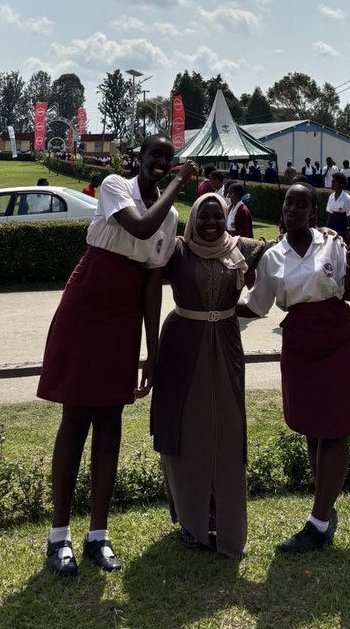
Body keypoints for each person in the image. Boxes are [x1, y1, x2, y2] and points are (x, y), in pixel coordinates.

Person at [37, 136, 197, 576]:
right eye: (154, 156)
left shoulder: (173, 217)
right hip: (88, 303)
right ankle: (58, 536)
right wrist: (179, 184)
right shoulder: (115, 186)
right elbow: (141, 226)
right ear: (139, 160)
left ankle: (98, 535)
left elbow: (151, 287)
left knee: (110, 420)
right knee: (76, 418)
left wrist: (152, 350)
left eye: (168, 158)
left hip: (125, 313)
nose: (161, 163)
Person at [239, 183, 350, 553]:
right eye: (289, 203)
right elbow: (257, 306)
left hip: (340, 340)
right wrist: (211, 306)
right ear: (282, 210)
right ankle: (326, 511)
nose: (293, 209)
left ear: (314, 213)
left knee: (334, 430)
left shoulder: (332, 243)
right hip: (300, 346)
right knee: (314, 431)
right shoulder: (272, 256)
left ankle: (316, 523)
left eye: (302, 204)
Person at [151, 193, 268, 557]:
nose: (212, 223)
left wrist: (327, 235)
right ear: (193, 219)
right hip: (182, 345)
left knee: (227, 430)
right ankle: (191, 522)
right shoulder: (177, 250)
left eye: (218, 216)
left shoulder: (241, 248)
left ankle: (224, 521)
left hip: (227, 347)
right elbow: (138, 260)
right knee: (187, 430)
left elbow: (283, 250)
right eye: (205, 216)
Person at [325, 172, 350, 244]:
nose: (332, 184)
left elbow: (349, 215)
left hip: (343, 223)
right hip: (334, 222)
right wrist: (327, 227)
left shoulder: (346, 198)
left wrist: (348, 229)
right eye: (332, 181)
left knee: (341, 244)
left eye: (334, 182)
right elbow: (330, 213)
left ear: (340, 184)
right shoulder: (331, 196)